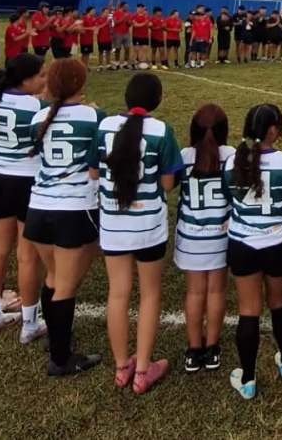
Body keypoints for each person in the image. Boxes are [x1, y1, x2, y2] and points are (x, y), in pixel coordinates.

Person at [92, 72, 181, 393]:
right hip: (148, 227)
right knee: (149, 294)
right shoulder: (161, 131)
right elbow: (169, 183)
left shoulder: (103, 127)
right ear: (157, 100)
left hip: (113, 224)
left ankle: (121, 367)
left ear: (127, 98)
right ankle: (142, 370)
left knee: (118, 293)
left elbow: (92, 170)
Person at [22, 59, 102, 376]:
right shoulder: (95, 116)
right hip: (73, 207)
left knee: (54, 277)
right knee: (66, 284)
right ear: (79, 84)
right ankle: (60, 358)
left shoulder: (39, 116)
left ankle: (56, 334)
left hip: (39, 208)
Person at [223, 104, 282, 400]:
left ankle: (248, 378)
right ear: (274, 129)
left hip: (243, 243)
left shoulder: (233, 160)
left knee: (249, 311)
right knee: (279, 304)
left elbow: (227, 195)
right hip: (277, 242)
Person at [0, 53, 47, 341]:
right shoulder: (37, 106)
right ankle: (29, 323)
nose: (44, 81)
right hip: (26, 182)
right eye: (41, 75)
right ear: (27, 79)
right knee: (27, 256)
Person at [174, 104, 233, 374]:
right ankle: (212, 348)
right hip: (221, 234)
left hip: (191, 236)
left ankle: (194, 349)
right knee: (216, 291)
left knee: (195, 291)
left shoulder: (184, 156)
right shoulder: (230, 155)